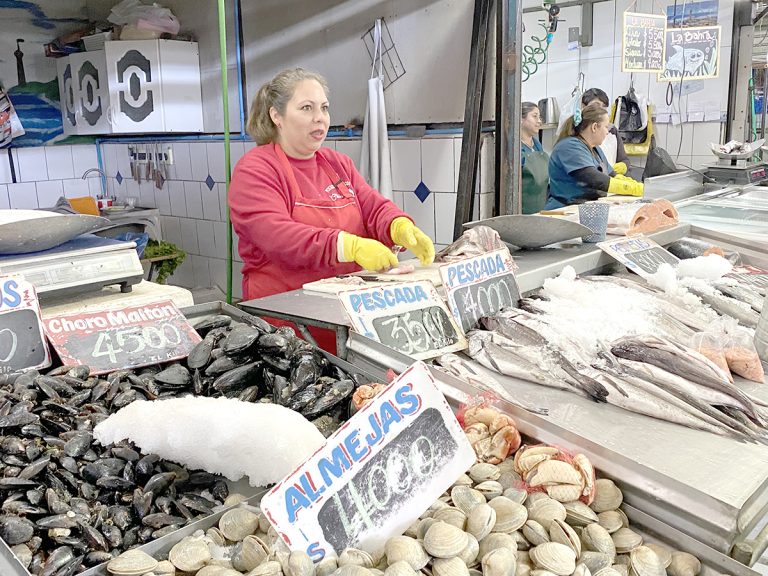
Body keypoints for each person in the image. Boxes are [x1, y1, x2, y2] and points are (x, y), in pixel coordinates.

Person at [229, 67, 435, 301]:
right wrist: (348, 247)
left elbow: (372, 207)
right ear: (277, 116)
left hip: (343, 304)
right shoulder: (256, 169)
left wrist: (398, 226)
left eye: (324, 108)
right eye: (307, 108)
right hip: (285, 311)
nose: (320, 117)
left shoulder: (337, 163)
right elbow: (277, 236)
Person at [546, 102, 643, 209]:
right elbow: (594, 179)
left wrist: (632, 183)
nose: (607, 132)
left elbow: (612, 174)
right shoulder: (569, 147)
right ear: (594, 127)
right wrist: (631, 189)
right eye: (606, 127)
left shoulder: (595, 149)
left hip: (586, 208)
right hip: (563, 210)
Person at [581, 88, 630, 176]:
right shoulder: (577, 135)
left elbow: (624, 159)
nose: (600, 110)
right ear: (583, 107)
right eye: (596, 105)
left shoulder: (612, 130)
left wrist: (622, 166)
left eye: (604, 107)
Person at [520, 102, 549, 214]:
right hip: (522, 211)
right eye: (534, 116)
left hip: (541, 208)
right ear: (521, 119)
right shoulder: (515, 147)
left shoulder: (537, 145)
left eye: (539, 117)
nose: (539, 121)